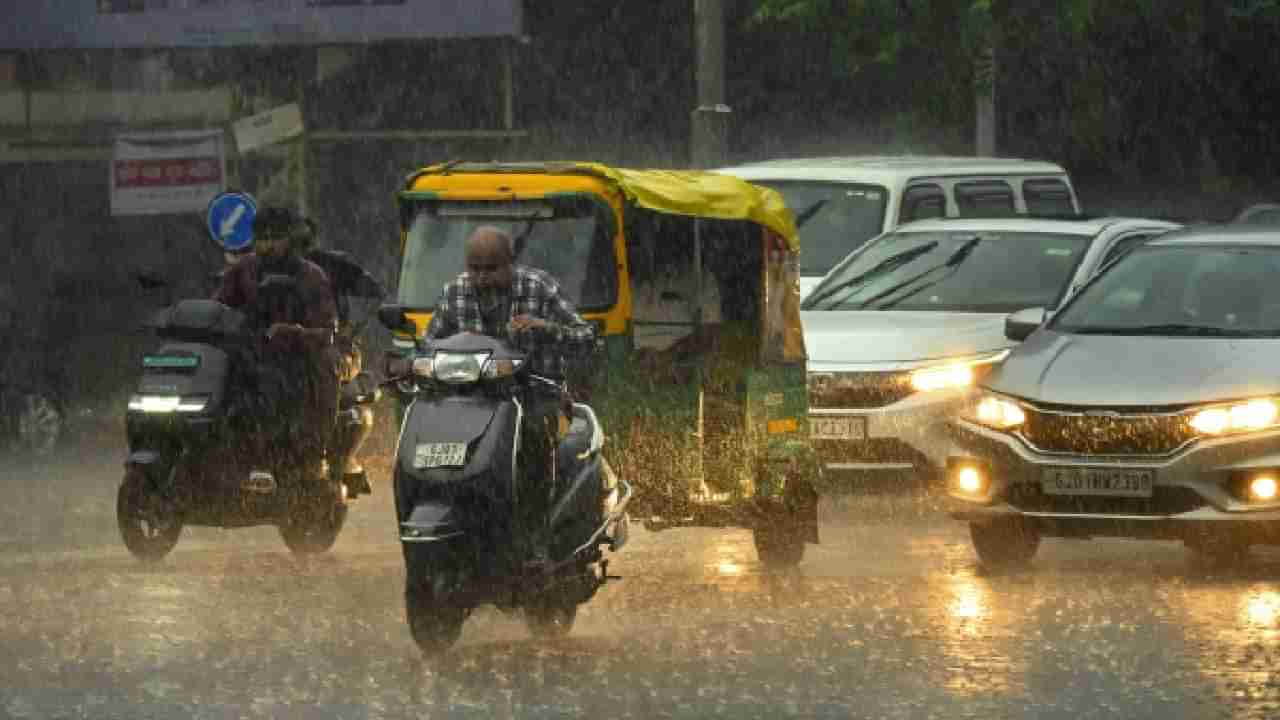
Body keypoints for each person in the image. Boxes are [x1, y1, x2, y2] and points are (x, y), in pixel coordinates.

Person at [425, 225, 596, 560]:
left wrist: (546, 328)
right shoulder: (454, 292)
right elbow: (429, 343)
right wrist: (409, 362)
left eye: (491, 269)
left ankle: (535, 536)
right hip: (468, 402)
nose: (482, 278)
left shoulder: (540, 288)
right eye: (475, 268)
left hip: (536, 396)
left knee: (531, 439)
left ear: (510, 263)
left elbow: (588, 337)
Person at [213, 207, 340, 476]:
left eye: (274, 237)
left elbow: (326, 331)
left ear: (290, 239)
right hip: (247, 354)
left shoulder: (312, 276)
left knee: (322, 366)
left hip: (296, 360)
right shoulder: (243, 270)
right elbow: (218, 308)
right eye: (261, 237)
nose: (267, 245)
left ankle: (311, 452)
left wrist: (292, 332)